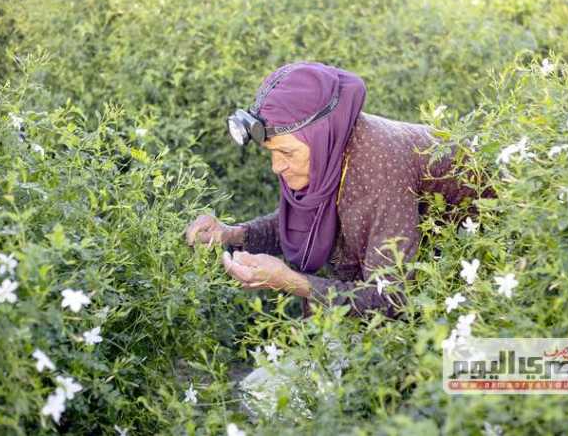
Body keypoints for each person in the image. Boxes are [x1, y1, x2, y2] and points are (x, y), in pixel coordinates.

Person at [185, 61, 491, 319]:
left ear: (321, 139)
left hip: (481, 261)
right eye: (271, 152)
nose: (276, 166)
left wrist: (291, 281)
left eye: (287, 153)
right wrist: (229, 234)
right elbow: (301, 222)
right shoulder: (331, 150)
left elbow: (391, 298)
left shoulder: (378, 165)